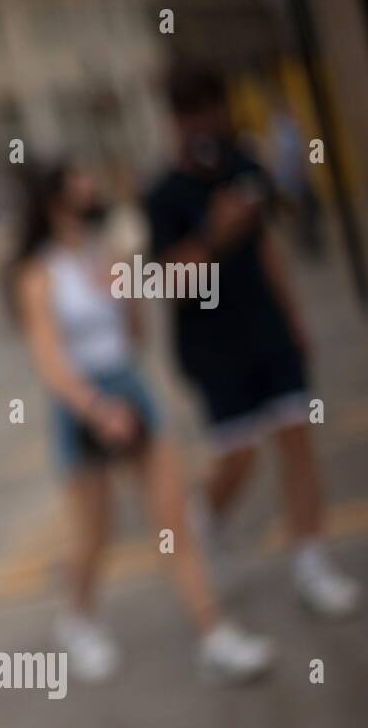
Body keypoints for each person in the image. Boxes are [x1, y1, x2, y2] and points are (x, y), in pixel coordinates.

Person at [12, 162, 272, 683]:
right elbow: (50, 363)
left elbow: (132, 339)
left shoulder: (103, 257)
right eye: (80, 183)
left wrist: (124, 293)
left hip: (130, 389)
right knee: (95, 532)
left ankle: (213, 633)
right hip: (82, 406)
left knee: (173, 522)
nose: (92, 189)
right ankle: (78, 619)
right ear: (56, 201)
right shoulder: (37, 274)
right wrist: (97, 409)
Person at [146, 61, 360, 617]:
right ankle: (205, 521)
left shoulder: (245, 166)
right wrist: (215, 231)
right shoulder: (163, 195)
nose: (202, 124)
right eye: (189, 113)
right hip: (213, 346)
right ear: (174, 120)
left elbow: (266, 249)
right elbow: (166, 280)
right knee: (239, 455)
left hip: (268, 328)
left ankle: (311, 561)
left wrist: (293, 318)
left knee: (296, 437)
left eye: (209, 110)